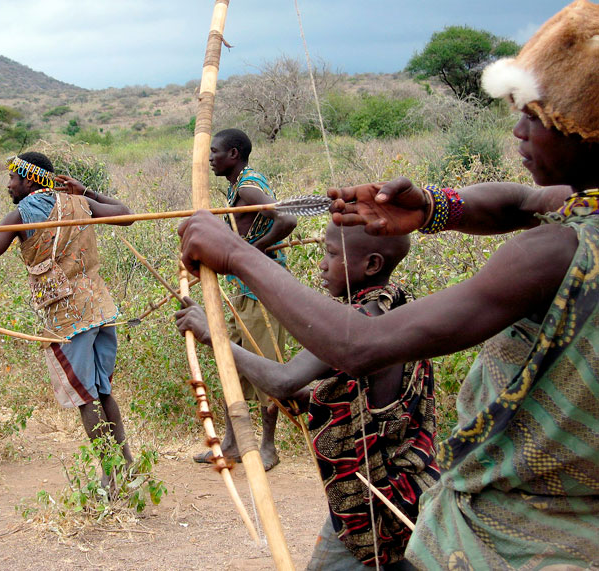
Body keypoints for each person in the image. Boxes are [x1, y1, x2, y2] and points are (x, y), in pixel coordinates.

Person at [178, 1, 599, 567]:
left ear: (587, 134)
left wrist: (234, 253)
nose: (519, 130)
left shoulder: (559, 249)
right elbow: (522, 201)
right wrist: (429, 207)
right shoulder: (576, 208)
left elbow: (357, 346)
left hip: (524, 536)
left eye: (538, 118)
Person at [176, 221, 439, 569]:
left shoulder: (356, 322)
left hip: (374, 503)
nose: (322, 264)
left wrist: (213, 334)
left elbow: (283, 380)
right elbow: (363, 395)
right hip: (406, 489)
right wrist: (306, 398)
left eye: (331, 254)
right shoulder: (396, 306)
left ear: (372, 265)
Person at [0, 151, 134, 486]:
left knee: (85, 396)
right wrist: (86, 192)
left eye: (13, 178)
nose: (9, 185)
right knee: (102, 391)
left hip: (67, 319)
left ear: (30, 180)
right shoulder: (79, 203)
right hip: (101, 310)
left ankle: (111, 476)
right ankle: (128, 467)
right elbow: (126, 215)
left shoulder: (20, 215)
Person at [192, 128, 297, 471]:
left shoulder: (249, 188)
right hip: (247, 290)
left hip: (264, 293)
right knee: (231, 365)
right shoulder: (239, 186)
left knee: (267, 368)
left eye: (216, 152)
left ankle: (268, 447)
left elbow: (287, 219)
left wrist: (251, 251)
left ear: (234, 154)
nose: (210, 159)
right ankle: (232, 442)